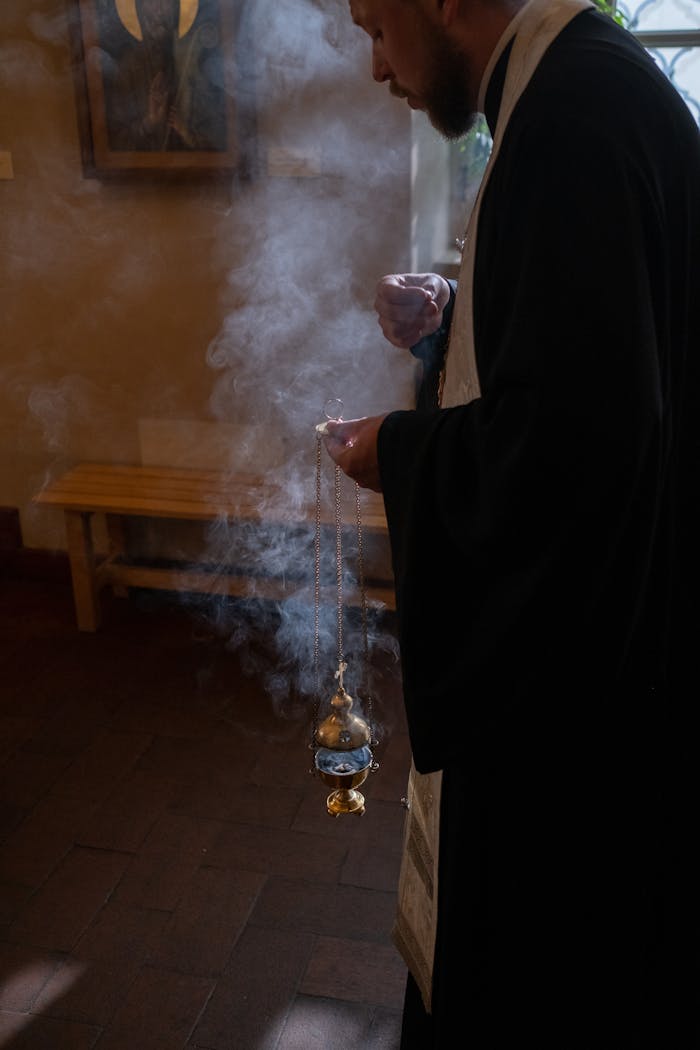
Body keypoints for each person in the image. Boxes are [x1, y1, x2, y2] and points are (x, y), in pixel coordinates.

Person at [322, 0, 700, 1046]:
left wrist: (393, 453)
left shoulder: (569, 122)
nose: (375, 67)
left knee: (540, 980)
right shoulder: (584, 85)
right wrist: (453, 315)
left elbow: (570, 455)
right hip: (635, 644)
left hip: (579, 712)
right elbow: (595, 352)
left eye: (373, 25)